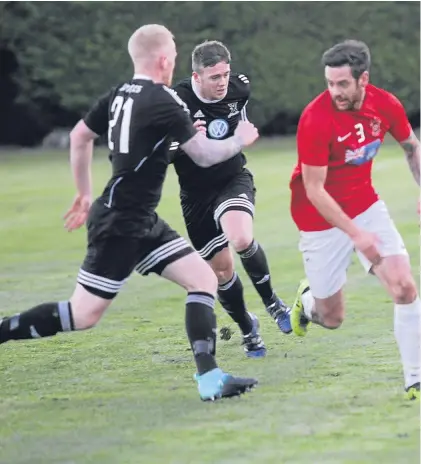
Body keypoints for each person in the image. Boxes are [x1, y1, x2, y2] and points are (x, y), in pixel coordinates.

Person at [0, 25, 261, 401]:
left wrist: (84, 193)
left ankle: (210, 379)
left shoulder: (119, 93)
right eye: (172, 51)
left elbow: (79, 137)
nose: (173, 58)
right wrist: (240, 139)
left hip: (139, 218)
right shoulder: (164, 100)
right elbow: (203, 156)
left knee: (203, 279)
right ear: (163, 59)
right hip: (123, 221)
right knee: (83, 315)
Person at [289, 40, 420, 400]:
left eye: (342, 84)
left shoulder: (386, 104)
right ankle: (309, 301)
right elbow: (314, 190)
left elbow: (412, 147)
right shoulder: (315, 118)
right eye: (330, 83)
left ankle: (415, 380)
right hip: (319, 219)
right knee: (332, 319)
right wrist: (355, 234)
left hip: (366, 205)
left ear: (364, 78)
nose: (335, 92)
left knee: (405, 288)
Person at [170, 40, 292, 358]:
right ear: (197, 78)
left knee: (240, 237)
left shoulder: (240, 88)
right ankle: (247, 328)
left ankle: (272, 303)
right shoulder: (176, 102)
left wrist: (243, 133)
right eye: (214, 77)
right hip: (195, 196)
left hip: (232, 179)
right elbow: (158, 153)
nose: (222, 82)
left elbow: (242, 121)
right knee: (221, 273)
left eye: (225, 73)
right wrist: (180, 141)